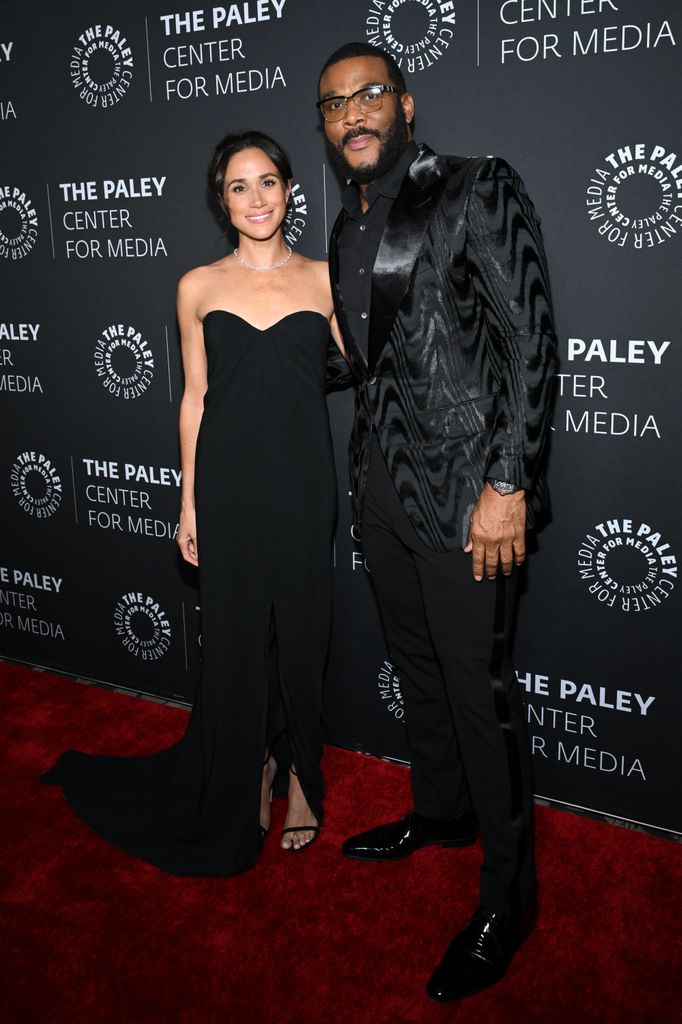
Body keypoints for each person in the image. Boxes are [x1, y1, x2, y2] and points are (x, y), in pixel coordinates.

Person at [317, 43, 558, 1001]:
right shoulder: (346, 224)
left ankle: (511, 895)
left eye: (370, 93)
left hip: (469, 496)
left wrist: (509, 480)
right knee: (418, 674)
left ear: (405, 102)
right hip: (380, 487)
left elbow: (532, 335)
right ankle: (443, 812)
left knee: (475, 692)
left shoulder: (471, 187)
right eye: (334, 105)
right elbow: (359, 361)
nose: (353, 114)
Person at [42, 130, 347, 871]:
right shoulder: (198, 285)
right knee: (238, 644)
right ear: (222, 199)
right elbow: (195, 399)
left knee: (303, 637)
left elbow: (358, 368)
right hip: (229, 488)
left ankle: (300, 775)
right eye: (238, 186)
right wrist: (189, 502)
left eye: (267, 181)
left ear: (288, 187)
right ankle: (249, 770)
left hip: (305, 484)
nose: (256, 198)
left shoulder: (326, 278)